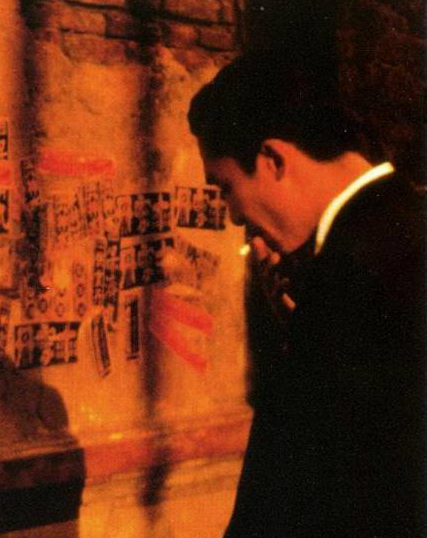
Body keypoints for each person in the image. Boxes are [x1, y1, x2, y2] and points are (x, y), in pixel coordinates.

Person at [189, 50, 426, 537]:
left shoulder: (351, 278)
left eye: (226, 187)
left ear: (273, 160)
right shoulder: (393, 234)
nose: (233, 216)